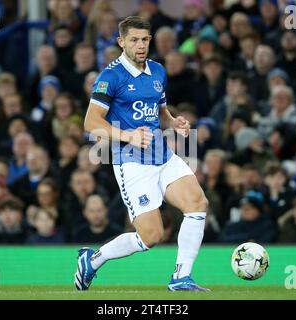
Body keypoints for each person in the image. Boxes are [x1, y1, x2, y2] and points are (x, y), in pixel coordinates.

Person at [75, 16, 210, 292]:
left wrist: (173, 121)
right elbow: (91, 123)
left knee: (197, 202)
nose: (140, 45)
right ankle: (93, 260)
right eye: (134, 39)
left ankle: (181, 277)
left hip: (162, 155)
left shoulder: (158, 71)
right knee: (151, 236)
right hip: (132, 163)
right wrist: (128, 135)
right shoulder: (110, 77)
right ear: (121, 41)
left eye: (145, 39)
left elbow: (159, 108)